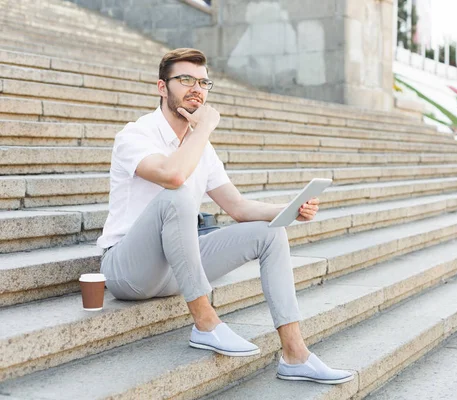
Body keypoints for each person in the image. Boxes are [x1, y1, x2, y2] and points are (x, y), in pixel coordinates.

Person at [97, 48, 354, 385]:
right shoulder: (135, 135)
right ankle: (206, 324)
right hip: (128, 270)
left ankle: (295, 354)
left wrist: (289, 210)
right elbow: (172, 176)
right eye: (185, 79)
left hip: (176, 269)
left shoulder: (202, 146)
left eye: (203, 82)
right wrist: (204, 129)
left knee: (269, 232)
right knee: (177, 195)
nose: (196, 89)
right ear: (162, 87)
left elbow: (237, 208)